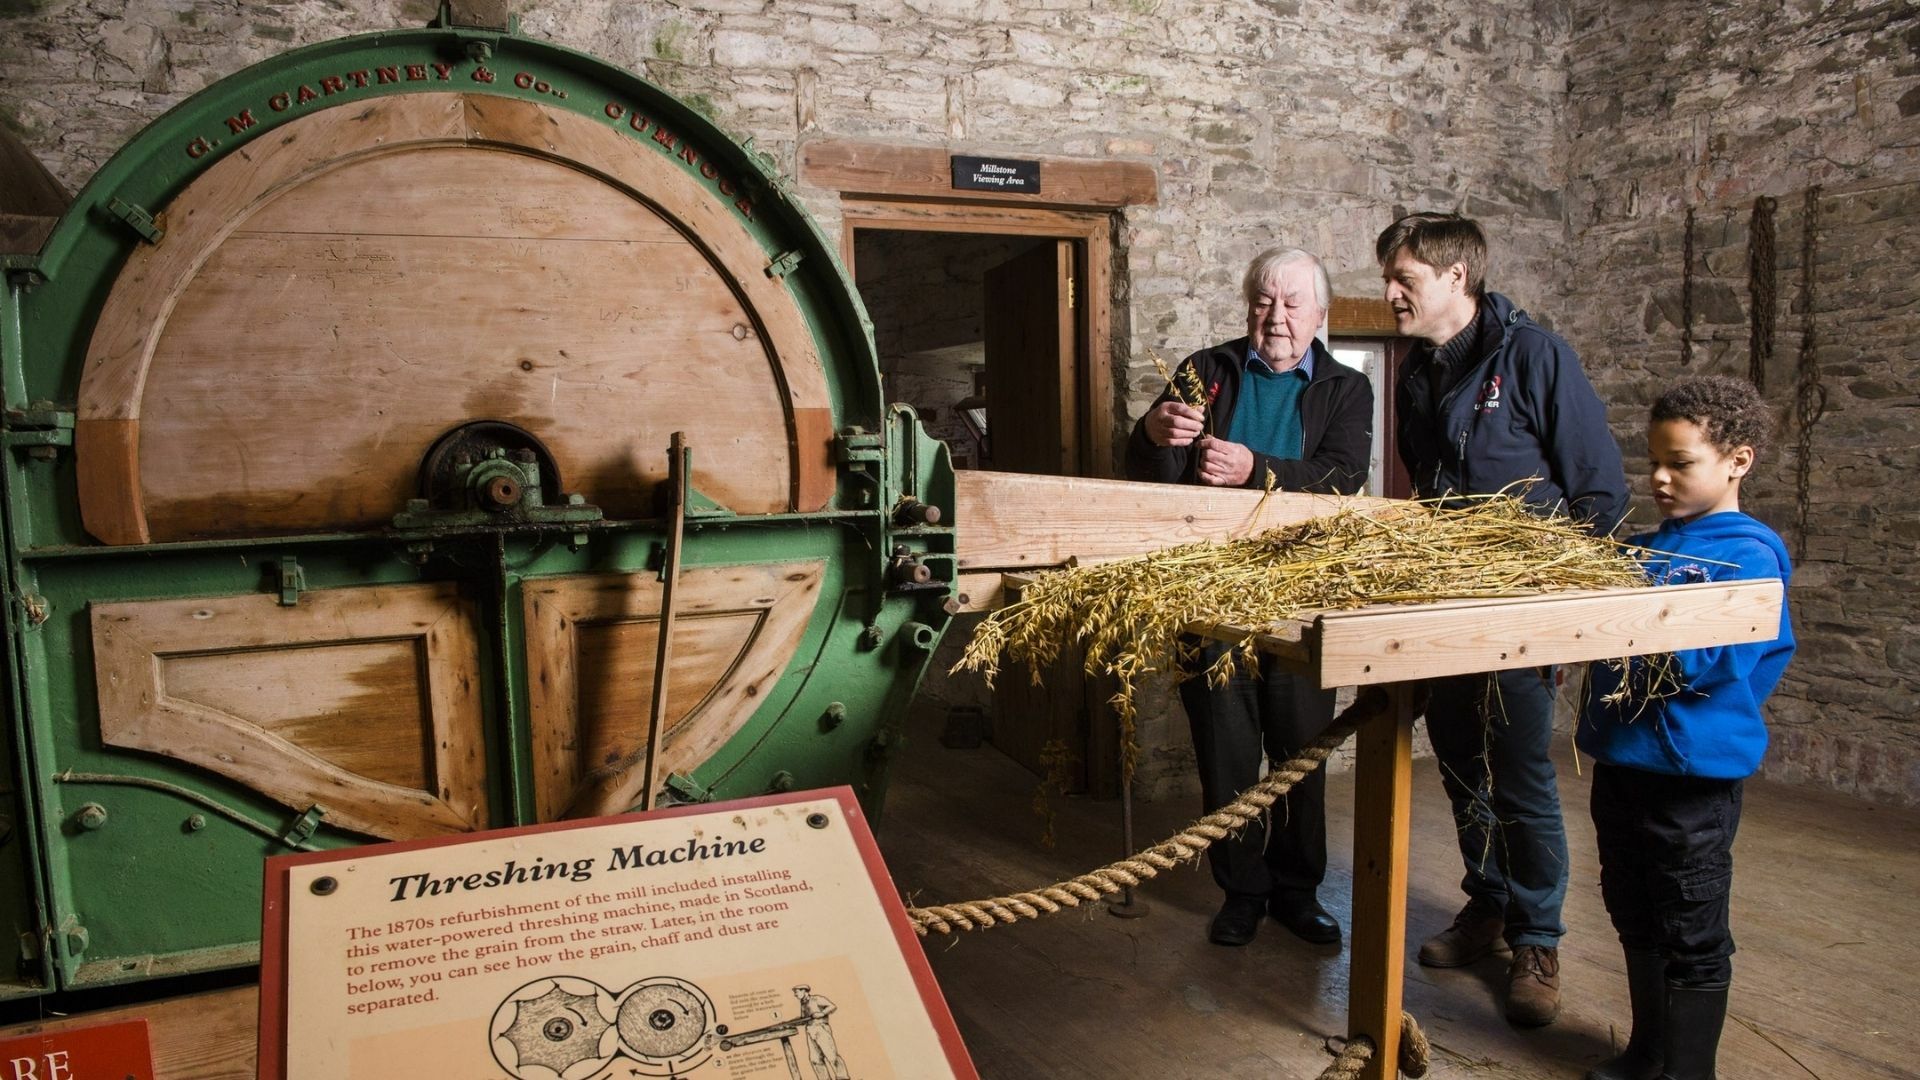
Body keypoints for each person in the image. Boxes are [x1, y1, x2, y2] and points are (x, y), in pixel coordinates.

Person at [1376, 212, 1628, 1025]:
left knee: (1519, 775)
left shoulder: (1535, 357)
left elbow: (1599, 494)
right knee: (1458, 763)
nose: (1389, 294)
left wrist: (1558, 606)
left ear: (1458, 279)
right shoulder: (1418, 374)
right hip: (1449, 606)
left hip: (1523, 612)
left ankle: (1538, 938)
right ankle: (1487, 906)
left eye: (1403, 280)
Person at [1125, 246, 1373, 947]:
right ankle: (1241, 890)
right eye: (1264, 300)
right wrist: (1150, 434)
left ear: (1319, 315)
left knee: (1300, 751)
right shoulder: (1204, 369)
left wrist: (1254, 468)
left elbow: (1343, 478)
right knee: (1227, 754)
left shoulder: (1346, 390)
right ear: (1247, 305)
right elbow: (1148, 474)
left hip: (1300, 591)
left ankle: (1298, 891)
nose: (1277, 316)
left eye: (1293, 303)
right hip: (1211, 589)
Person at [1577, 376, 1794, 1080]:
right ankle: (1649, 1052)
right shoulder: (1638, 551)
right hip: (1622, 762)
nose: (1661, 478)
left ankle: (1688, 1071)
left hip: (1690, 780)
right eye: (1654, 462)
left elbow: (1707, 656)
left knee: (1690, 924)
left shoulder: (1749, 557)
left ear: (1738, 461)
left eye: (1682, 463)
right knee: (1633, 910)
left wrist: (1623, 625)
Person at [793, 984, 850, 1080]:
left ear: (804, 991)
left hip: (821, 1029)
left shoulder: (816, 999)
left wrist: (822, 1013)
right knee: (815, 1060)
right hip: (810, 1030)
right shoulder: (803, 1003)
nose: (795, 994)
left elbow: (832, 1006)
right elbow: (805, 1019)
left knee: (831, 1056)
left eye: (796, 992)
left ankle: (843, 1078)